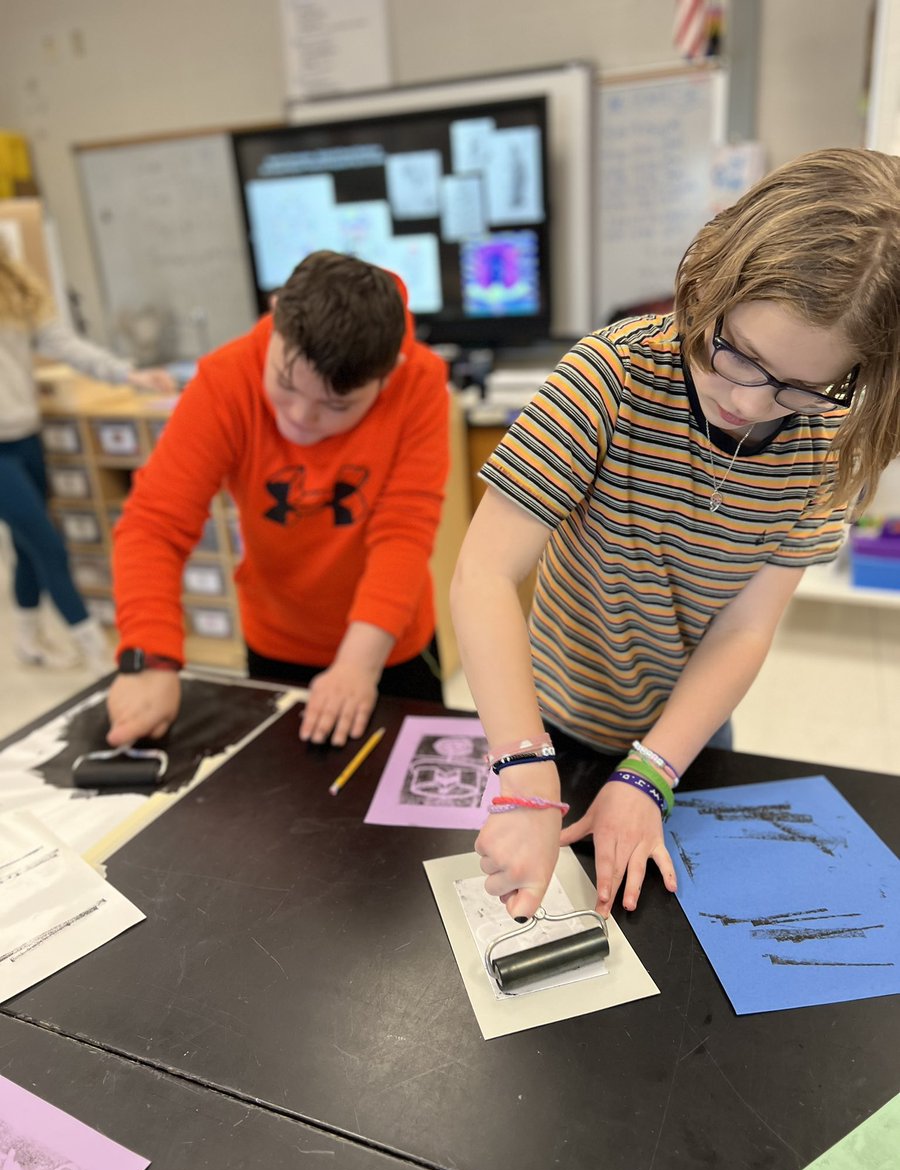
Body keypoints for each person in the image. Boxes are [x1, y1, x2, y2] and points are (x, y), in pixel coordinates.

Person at [451, 148, 900, 920]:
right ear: (710, 282)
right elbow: (484, 576)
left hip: (686, 730)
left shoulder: (830, 445)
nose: (749, 404)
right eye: (739, 355)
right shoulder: (610, 379)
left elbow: (745, 626)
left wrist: (649, 774)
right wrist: (525, 772)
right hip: (547, 715)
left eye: (797, 387)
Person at [106, 250, 449, 749]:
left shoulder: (418, 381)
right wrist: (150, 657)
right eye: (285, 385)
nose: (302, 417)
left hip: (388, 645)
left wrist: (358, 663)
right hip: (277, 638)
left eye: (337, 406)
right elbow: (154, 524)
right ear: (275, 315)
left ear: (388, 373)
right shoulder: (225, 380)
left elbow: (404, 530)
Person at [0, 243, 175, 672]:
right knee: (49, 546)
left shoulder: (13, 289)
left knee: (28, 548)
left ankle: (27, 638)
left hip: (26, 437)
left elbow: (66, 347)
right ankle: (100, 653)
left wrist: (128, 374)